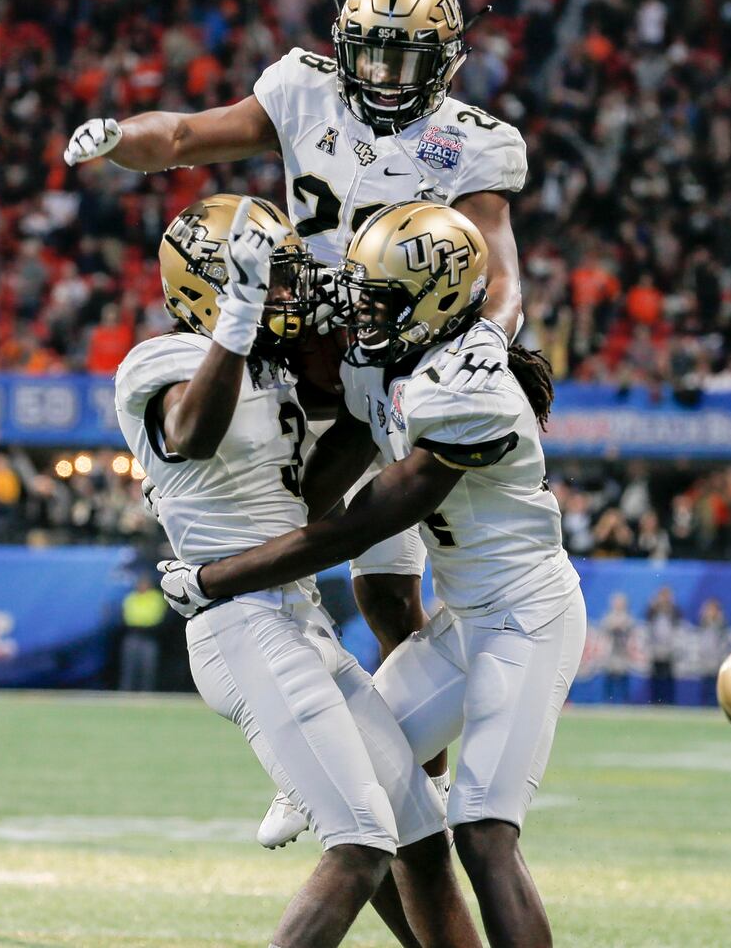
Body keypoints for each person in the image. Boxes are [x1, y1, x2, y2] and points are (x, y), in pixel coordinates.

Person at [64, 0, 529, 847]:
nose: (388, 75)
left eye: (409, 58)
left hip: (411, 366)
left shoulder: (475, 141)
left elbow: (500, 276)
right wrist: (120, 133)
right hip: (312, 352)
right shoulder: (300, 88)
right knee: (317, 534)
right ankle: (327, 753)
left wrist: (483, 346)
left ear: (449, 60)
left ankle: (401, 778)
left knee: (405, 589)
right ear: (344, 47)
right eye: (375, 54)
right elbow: (183, 138)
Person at [159, 202, 584, 948]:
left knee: (483, 831)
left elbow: (362, 525)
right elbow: (325, 453)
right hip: (463, 624)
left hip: (526, 617)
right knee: (383, 785)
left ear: (435, 302)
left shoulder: (471, 388)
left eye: (380, 300)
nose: (362, 313)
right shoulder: (398, 358)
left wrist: (220, 575)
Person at [115, 195, 479, 948]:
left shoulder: (273, 370)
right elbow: (189, 434)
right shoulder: (161, 360)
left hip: (298, 615)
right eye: (268, 278)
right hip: (240, 626)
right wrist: (240, 319)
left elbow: (308, 500)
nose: (287, 292)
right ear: (212, 285)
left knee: (420, 833)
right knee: (359, 845)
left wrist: (373, 398)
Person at [118, 573, 166, 693]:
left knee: (147, 667)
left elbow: (156, 616)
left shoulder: (155, 597)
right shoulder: (132, 597)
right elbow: (127, 615)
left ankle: (146, 693)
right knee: (129, 666)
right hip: (133, 634)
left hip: (149, 635)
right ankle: (126, 692)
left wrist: (143, 622)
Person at [599, 591, 636, 704]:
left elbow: (631, 629)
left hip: (623, 652)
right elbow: (605, 628)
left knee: (623, 677)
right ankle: (607, 701)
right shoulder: (609, 616)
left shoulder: (628, 617)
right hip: (611, 651)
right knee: (609, 677)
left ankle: (624, 701)